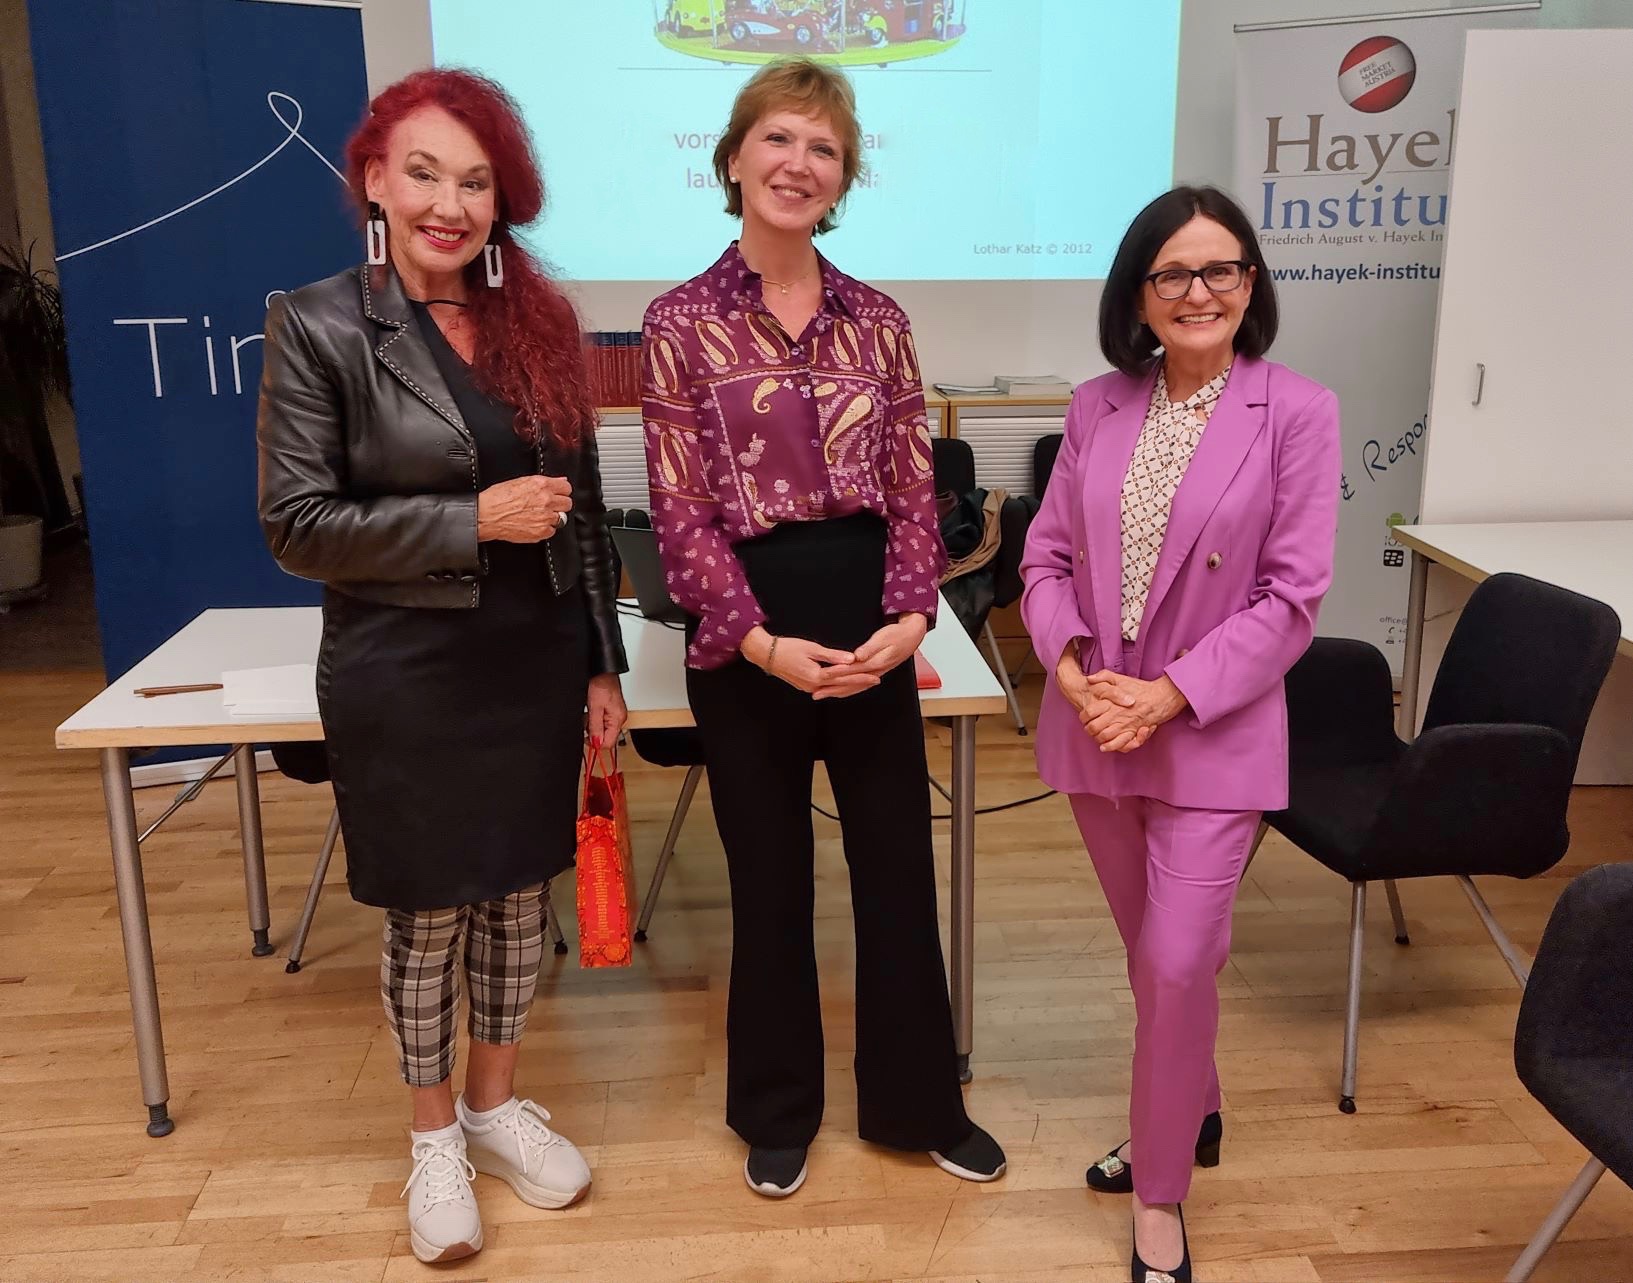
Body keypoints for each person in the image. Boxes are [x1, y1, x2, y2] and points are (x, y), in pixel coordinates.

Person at [256, 68, 627, 1264]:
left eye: (474, 182)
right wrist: (471, 520)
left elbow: (583, 511)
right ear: (375, 179)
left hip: (534, 660)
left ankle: (491, 1104)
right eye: (422, 173)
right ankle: (431, 1139)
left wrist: (603, 665)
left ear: (500, 200)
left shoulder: (540, 321)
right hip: (401, 666)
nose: (448, 204)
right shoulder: (318, 323)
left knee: (517, 901)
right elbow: (297, 523)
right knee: (427, 917)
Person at [640, 57, 1005, 1198]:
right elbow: (678, 509)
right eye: (779, 139)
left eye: (824, 149)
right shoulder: (678, 321)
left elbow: (911, 489)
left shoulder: (879, 320)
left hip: (868, 615)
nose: (799, 164)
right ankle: (776, 1108)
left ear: (842, 179)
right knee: (769, 879)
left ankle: (916, 1104)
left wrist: (911, 617)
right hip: (745, 625)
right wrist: (758, 643)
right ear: (733, 158)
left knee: (896, 869)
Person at [1020, 185, 1340, 1283]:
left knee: (1174, 957)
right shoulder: (1095, 405)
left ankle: (1159, 1194)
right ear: (1138, 294)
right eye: (1172, 273)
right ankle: (1191, 1103)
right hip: (1096, 727)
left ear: (1250, 284)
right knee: (1152, 958)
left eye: (1221, 269)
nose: (1198, 291)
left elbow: (1291, 598)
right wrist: (1070, 669)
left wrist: (1164, 695)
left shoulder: (1296, 410)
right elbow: (1043, 559)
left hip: (1208, 729)